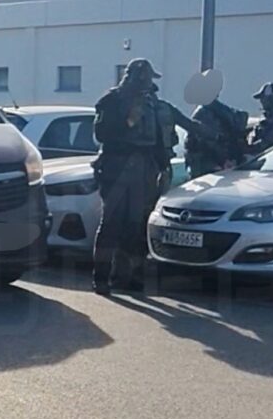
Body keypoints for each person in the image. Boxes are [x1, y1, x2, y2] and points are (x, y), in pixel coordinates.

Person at [91, 59, 165, 295]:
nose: (148, 85)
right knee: (111, 224)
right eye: (145, 80)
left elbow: (158, 138)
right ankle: (101, 278)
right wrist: (130, 118)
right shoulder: (111, 101)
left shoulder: (151, 103)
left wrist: (163, 166)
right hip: (117, 165)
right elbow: (102, 134)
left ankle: (130, 276)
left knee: (136, 225)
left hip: (143, 167)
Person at [151, 84, 214, 192]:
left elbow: (189, 125)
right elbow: (189, 125)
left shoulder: (163, 108)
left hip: (155, 161)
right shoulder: (165, 107)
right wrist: (212, 133)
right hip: (159, 161)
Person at [186, 95, 249, 179]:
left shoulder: (202, 113)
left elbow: (205, 141)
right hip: (229, 163)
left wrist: (222, 161)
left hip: (210, 166)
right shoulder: (225, 111)